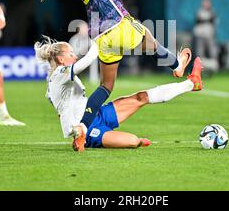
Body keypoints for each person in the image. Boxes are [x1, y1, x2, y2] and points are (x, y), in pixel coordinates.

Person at [35, 0, 192, 150]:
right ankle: (177, 66)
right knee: (150, 39)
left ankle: (83, 127)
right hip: (117, 24)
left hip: (101, 35)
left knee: (106, 86)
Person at [34, 37, 203, 151]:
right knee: (133, 141)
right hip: (89, 128)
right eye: (70, 54)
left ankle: (191, 83)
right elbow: (83, 63)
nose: (75, 55)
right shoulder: (60, 74)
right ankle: (81, 138)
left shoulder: (58, 80)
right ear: (61, 60)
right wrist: (97, 42)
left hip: (95, 114)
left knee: (140, 97)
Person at [193, 0, 219, 72]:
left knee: (212, 52)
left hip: (209, 35)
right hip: (200, 34)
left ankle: (213, 68)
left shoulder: (212, 12)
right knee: (199, 53)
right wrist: (207, 20)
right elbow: (198, 20)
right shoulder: (199, 11)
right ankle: (198, 69)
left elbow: (213, 21)